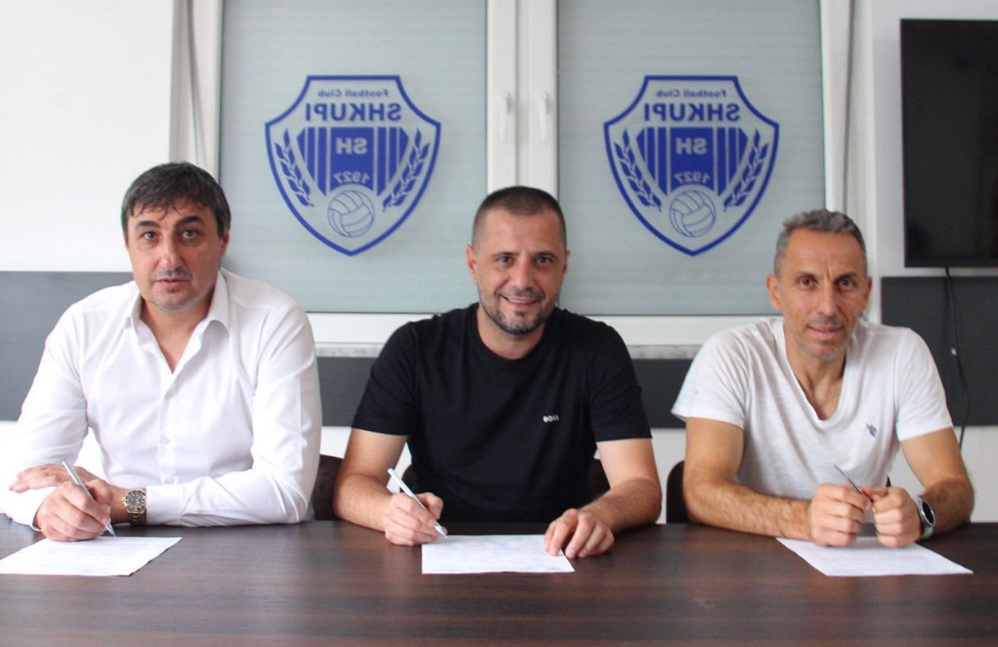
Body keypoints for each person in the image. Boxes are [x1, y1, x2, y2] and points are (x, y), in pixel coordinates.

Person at [333, 186, 661, 559]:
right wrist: (388, 513)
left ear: (564, 266)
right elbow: (353, 484)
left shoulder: (597, 349)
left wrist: (600, 515)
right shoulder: (416, 349)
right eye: (505, 259)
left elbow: (641, 486)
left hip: (561, 557)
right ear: (473, 264)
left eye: (543, 260)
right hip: (439, 553)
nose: (522, 280)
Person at [1, 162, 322, 540]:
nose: (169, 257)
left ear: (223, 240)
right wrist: (49, 508)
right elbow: (23, 478)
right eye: (150, 236)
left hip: (247, 547)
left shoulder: (274, 320)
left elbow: (285, 492)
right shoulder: (84, 326)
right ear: (128, 245)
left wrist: (130, 503)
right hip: (117, 549)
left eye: (189, 234)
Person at [673, 209, 974, 547]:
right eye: (807, 283)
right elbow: (701, 492)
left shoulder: (902, 352)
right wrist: (804, 519)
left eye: (845, 283)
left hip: (858, 560)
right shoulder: (732, 354)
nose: (828, 307)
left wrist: (920, 514)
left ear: (865, 293)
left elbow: (955, 487)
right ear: (775, 291)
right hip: (750, 560)